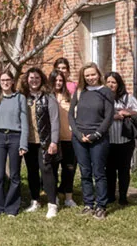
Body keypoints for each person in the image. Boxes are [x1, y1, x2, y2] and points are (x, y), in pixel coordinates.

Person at [69, 62, 114, 219]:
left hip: (98, 139)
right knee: (85, 172)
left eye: (92, 74)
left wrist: (96, 135)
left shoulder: (106, 92)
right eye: (87, 75)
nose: (90, 78)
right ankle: (88, 203)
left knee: (99, 172)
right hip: (79, 138)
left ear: (98, 74)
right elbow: (70, 115)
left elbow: (108, 117)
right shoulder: (80, 92)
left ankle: (101, 205)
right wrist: (78, 134)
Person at [21, 68, 61, 217]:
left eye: (37, 78)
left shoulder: (48, 97)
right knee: (31, 171)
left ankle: (52, 203)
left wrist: (54, 141)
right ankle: (35, 200)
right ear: (27, 80)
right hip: (29, 141)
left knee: (47, 170)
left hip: (45, 141)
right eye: (31, 78)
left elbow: (55, 121)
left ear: (42, 79)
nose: (34, 80)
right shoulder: (23, 97)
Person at [0, 70, 28, 216]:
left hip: (15, 137)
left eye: (7, 80)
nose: (5, 82)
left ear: (12, 81)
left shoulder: (20, 98)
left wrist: (23, 144)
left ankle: (12, 207)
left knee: (14, 175)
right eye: (2, 80)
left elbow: (24, 123)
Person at [105, 71, 137, 205]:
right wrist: (112, 116)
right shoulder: (102, 97)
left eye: (113, 82)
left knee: (123, 170)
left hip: (125, 141)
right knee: (109, 170)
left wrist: (127, 112)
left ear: (118, 84)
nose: (111, 84)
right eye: (108, 82)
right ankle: (110, 196)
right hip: (108, 140)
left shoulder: (127, 98)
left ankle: (123, 197)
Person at [50, 70, 78, 208]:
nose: (58, 83)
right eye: (55, 80)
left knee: (69, 169)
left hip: (69, 138)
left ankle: (68, 197)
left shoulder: (70, 96)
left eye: (60, 80)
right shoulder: (48, 96)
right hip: (53, 140)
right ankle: (53, 196)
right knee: (53, 169)